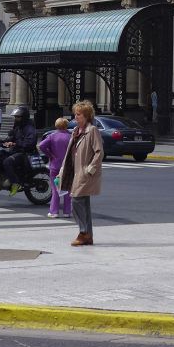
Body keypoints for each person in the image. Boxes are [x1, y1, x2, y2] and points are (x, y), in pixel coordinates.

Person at [61, 101, 103, 246]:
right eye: (75, 114)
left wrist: (90, 169)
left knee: (76, 201)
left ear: (86, 116)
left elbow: (99, 152)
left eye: (78, 115)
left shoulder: (92, 130)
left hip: (85, 173)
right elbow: (69, 154)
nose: (75, 117)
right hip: (75, 172)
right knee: (84, 204)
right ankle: (88, 235)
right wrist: (63, 171)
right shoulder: (76, 131)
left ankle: (83, 232)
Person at [38, 117, 73, 219]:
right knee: (67, 189)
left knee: (55, 189)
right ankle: (67, 212)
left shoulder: (52, 136)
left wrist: (50, 154)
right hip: (67, 166)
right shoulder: (70, 137)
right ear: (66, 126)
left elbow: (41, 145)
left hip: (54, 165)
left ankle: (54, 212)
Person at [0, 105, 38, 193]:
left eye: (18, 117)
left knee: (7, 161)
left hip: (26, 153)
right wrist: (1, 142)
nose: (16, 119)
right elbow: (11, 138)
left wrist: (15, 144)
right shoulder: (18, 127)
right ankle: (4, 180)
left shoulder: (30, 129)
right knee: (0, 156)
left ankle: (15, 183)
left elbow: (30, 143)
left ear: (24, 117)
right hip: (17, 151)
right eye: (15, 117)